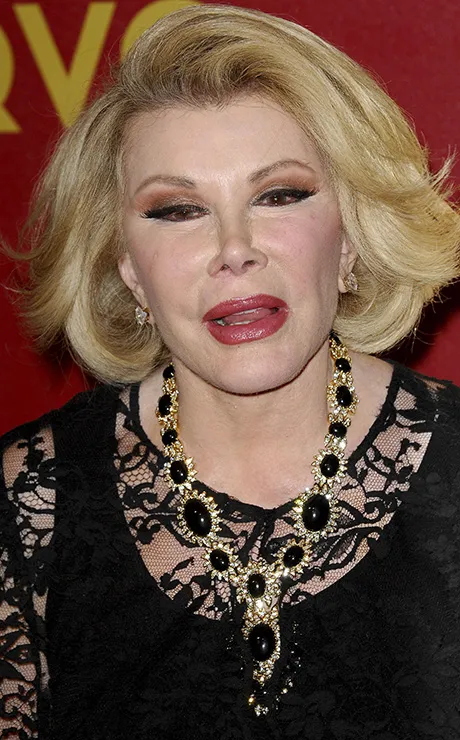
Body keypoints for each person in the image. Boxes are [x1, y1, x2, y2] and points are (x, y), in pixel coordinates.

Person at [1, 4, 460, 739]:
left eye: (279, 196)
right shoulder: (30, 501)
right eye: (178, 210)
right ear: (127, 266)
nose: (235, 249)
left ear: (349, 234)